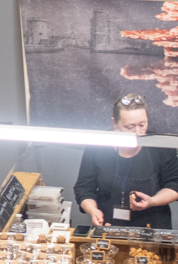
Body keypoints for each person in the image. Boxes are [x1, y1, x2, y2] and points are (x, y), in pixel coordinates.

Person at [75, 94, 178, 229]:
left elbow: (174, 184)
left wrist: (153, 201)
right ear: (114, 123)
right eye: (130, 127)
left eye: (142, 124)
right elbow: (84, 188)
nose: (138, 132)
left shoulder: (161, 146)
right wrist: (93, 210)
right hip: (109, 224)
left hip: (153, 225)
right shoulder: (98, 146)